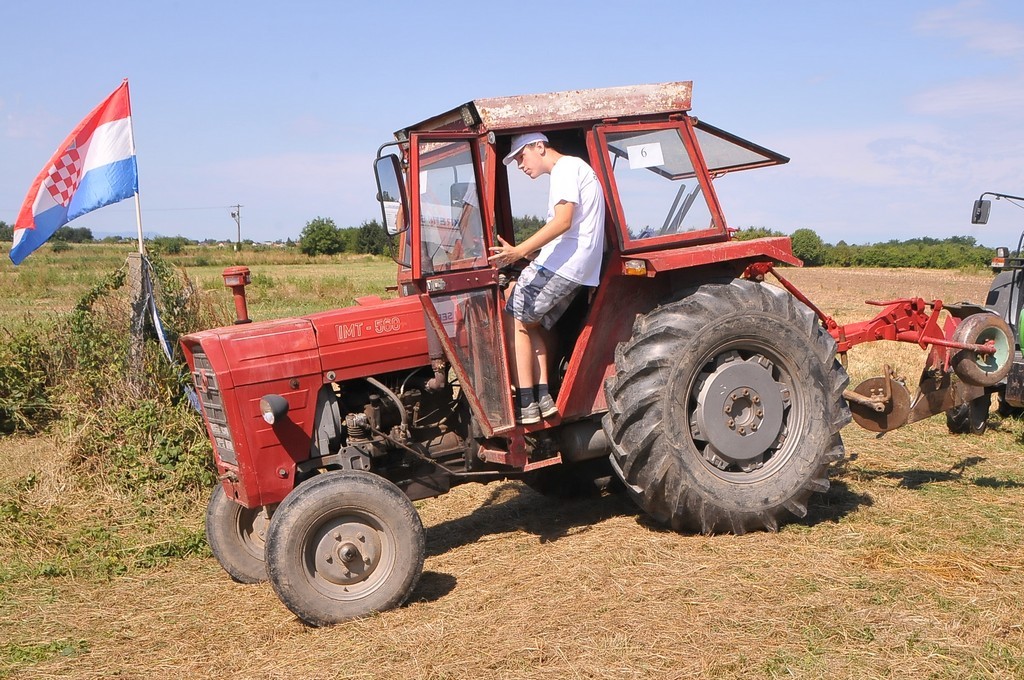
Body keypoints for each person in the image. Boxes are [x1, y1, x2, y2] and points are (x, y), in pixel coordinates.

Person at [489, 132, 606, 424]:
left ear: (539, 147)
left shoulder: (566, 168)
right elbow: (572, 227)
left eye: (521, 156)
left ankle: (525, 401)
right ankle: (543, 397)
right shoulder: (577, 169)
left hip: (565, 267)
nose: (520, 165)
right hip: (576, 267)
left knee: (512, 316)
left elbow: (563, 221)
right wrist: (534, 254)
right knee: (531, 324)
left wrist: (519, 251)